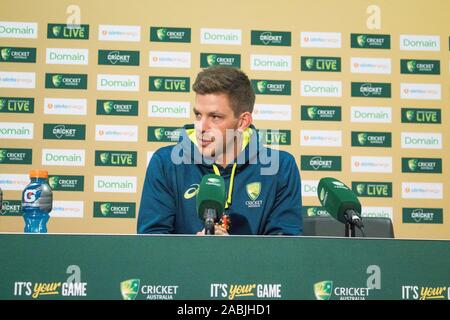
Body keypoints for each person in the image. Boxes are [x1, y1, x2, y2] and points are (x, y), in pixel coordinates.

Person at [137, 66, 302, 235]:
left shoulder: (281, 167)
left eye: (215, 117)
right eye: (198, 115)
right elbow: (152, 244)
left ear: (243, 122)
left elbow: (285, 249)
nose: (201, 127)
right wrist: (195, 250)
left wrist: (230, 252)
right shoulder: (165, 163)